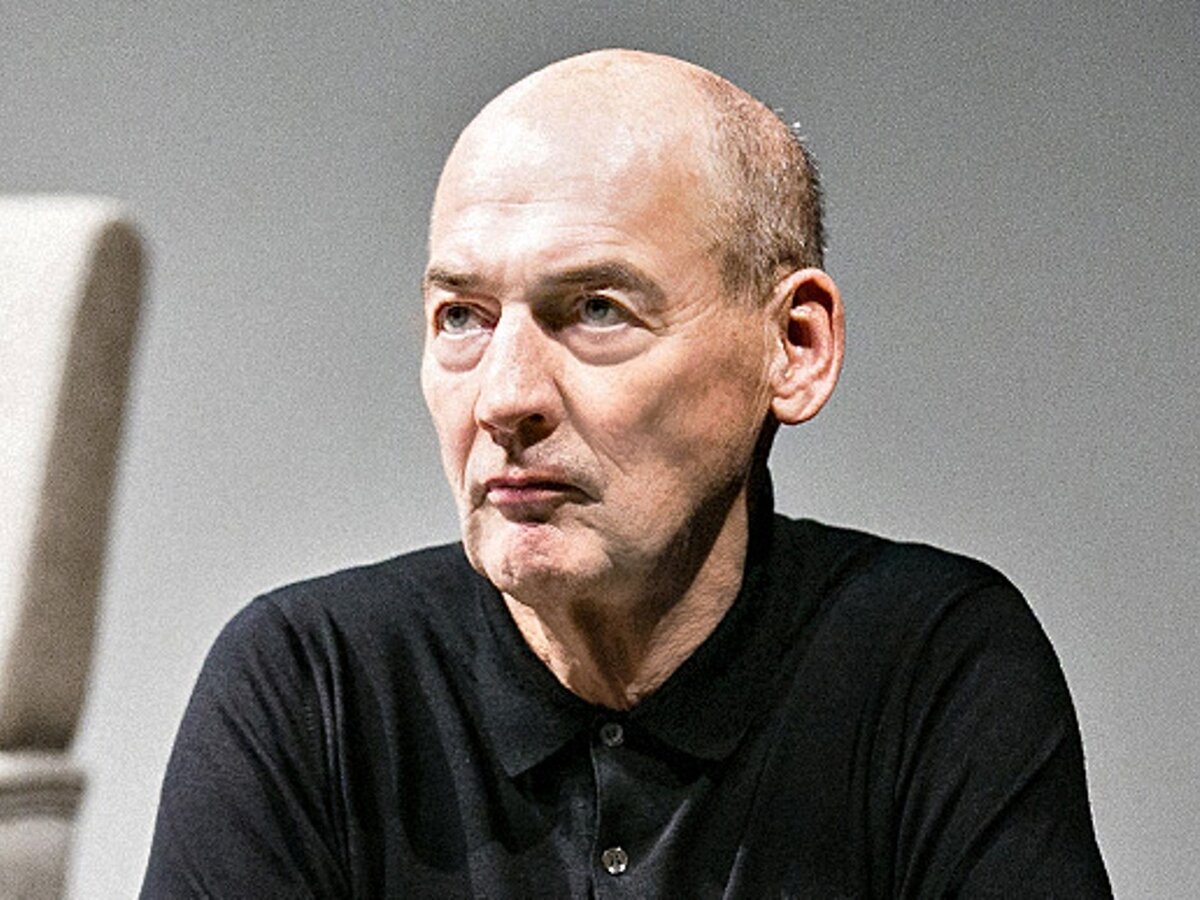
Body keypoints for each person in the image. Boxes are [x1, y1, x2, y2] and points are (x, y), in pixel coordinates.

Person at [141, 49, 1111, 897]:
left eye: (597, 310)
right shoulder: (310, 684)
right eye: (463, 318)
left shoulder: (934, 668)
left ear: (794, 346)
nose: (504, 398)